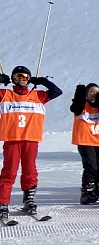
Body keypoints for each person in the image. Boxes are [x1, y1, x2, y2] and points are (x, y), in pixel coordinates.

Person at [0, 66, 62, 222]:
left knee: (30, 171)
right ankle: (2, 204)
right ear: (13, 79)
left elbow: (56, 92)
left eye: (25, 76)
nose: (21, 78)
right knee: (9, 172)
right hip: (12, 139)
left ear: (29, 79)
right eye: (18, 76)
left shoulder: (38, 95)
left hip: (31, 139)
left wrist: (42, 81)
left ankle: (29, 201)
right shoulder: (5, 94)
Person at [70, 81, 99, 204]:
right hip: (85, 140)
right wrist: (79, 90)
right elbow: (75, 108)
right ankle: (87, 191)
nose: (94, 94)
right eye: (92, 92)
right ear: (87, 94)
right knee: (91, 167)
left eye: (96, 92)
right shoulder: (81, 105)